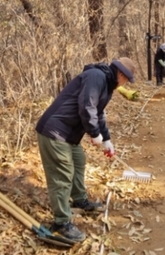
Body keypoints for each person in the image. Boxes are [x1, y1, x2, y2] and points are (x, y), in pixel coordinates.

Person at [35, 57, 135, 243]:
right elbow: (87, 106)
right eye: (127, 80)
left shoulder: (107, 84)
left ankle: (79, 200)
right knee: (62, 175)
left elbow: (99, 114)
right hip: (55, 130)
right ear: (121, 74)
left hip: (69, 134)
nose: (126, 84)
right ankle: (61, 222)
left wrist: (106, 139)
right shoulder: (96, 76)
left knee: (79, 159)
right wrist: (93, 132)